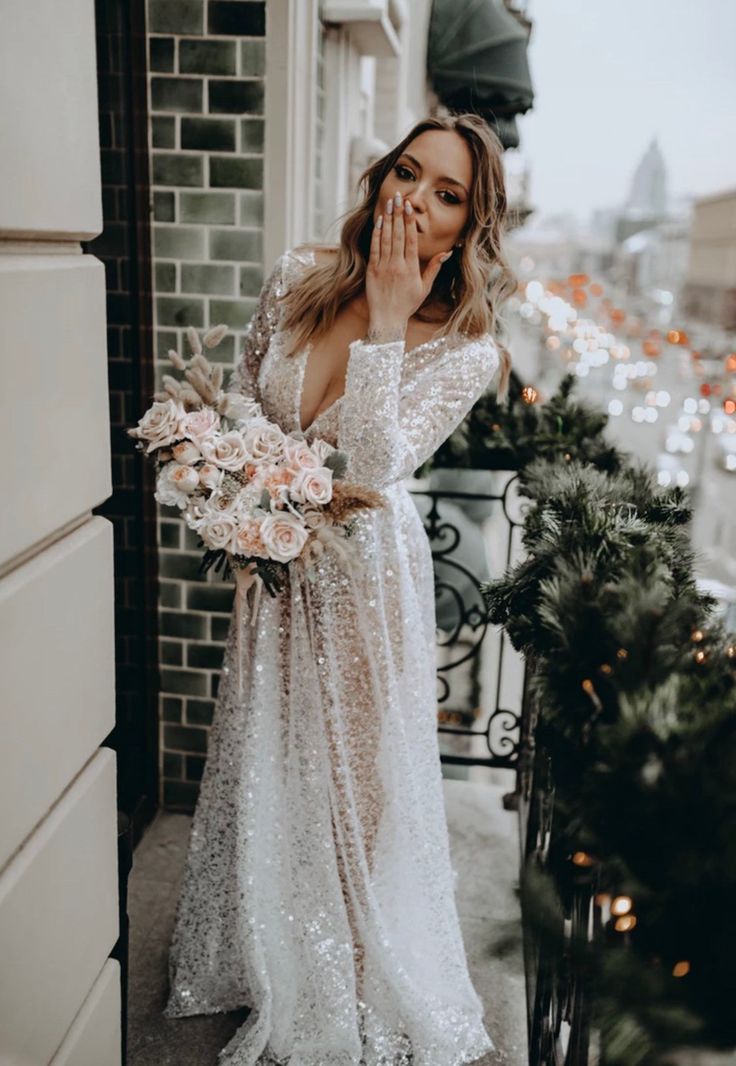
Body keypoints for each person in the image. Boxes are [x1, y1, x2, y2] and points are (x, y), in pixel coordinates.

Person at [163, 111, 515, 1065]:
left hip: (365, 571)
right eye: (410, 172)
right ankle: (268, 947)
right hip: (274, 565)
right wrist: (225, 473)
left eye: (448, 194)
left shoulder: (466, 348)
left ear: (468, 227)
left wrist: (392, 322)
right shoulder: (299, 276)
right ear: (382, 178)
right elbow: (243, 393)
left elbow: (368, 461)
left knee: (355, 782)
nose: (416, 199)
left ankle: (351, 967)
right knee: (269, 751)